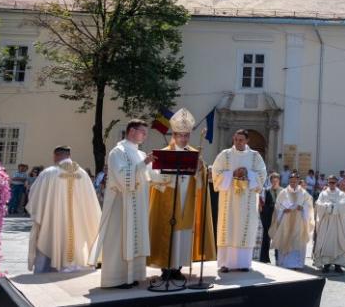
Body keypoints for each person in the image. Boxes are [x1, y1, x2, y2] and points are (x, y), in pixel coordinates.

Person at [147, 109, 215, 281]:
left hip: (187, 200)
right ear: (174, 136)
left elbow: (202, 178)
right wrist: (166, 177)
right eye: (180, 135)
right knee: (168, 231)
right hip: (168, 199)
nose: (184, 139)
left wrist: (200, 169)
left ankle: (177, 267)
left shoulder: (194, 154)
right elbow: (152, 176)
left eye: (186, 135)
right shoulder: (164, 153)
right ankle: (166, 267)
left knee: (183, 233)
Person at [89, 119, 155, 288]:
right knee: (119, 239)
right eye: (143, 132)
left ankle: (132, 276)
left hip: (137, 204)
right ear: (132, 131)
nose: (145, 136)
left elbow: (150, 176)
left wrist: (164, 173)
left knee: (134, 238)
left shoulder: (140, 154)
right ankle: (115, 279)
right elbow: (122, 178)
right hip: (121, 204)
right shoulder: (118, 152)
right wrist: (143, 165)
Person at [26, 146, 100, 273]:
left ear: (55, 156)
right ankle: (77, 266)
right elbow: (91, 201)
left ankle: (47, 270)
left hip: (54, 219)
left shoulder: (48, 173)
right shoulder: (83, 174)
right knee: (76, 241)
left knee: (50, 237)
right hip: (78, 222)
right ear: (69, 156)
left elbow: (34, 194)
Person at [212, 129, 268, 272]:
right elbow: (216, 173)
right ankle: (225, 263)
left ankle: (243, 264)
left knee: (244, 228)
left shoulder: (255, 157)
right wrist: (232, 173)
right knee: (228, 228)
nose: (238, 142)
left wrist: (248, 173)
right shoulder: (225, 155)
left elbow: (262, 175)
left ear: (247, 141)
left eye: (241, 140)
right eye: (236, 139)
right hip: (228, 201)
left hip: (247, 202)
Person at [269, 172, 313, 269]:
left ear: (298, 181)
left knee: (297, 240)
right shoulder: (283, 192)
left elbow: (309, 205)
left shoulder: (304, 193)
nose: (293, 183)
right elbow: (278, 206)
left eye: (295, 181)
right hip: (285, 221)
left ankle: (297, 264)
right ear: (289, 181)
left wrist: (302, 208)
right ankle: (284, 263)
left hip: (299, 222)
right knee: (285, 238)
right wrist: (283, 210)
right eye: (291, 181)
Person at [313, 175, 345, 273]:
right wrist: (328, 206)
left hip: (338, 223)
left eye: (333, 182)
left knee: (338, 242)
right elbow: (318, 204)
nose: (331, 184)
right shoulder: (323, 194)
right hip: (326, 222)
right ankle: (326, 264)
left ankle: (338, 265)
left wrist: (334, 207)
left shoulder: (341, 194)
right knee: (325, 243)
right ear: (327, 182)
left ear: (336, 183)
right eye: (330, 182)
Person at [259, 173, 281, 263]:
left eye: (276, 181)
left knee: (278, 239)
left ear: (279, 181)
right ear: (270, 181)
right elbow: (263, 205)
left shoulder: (283, 191)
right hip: (268, 218)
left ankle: (278, 258)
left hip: (279, 219)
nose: (274, 183)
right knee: (266, 239)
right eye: (273, 181)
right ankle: (264, 258)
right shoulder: (266, 191)